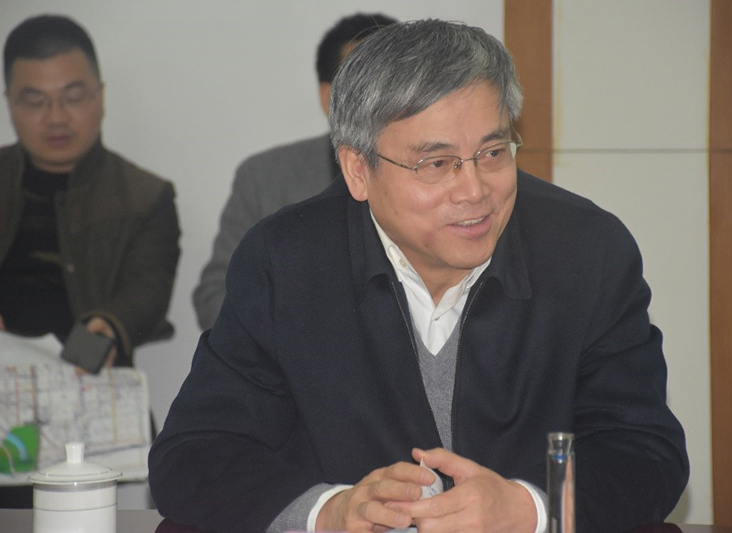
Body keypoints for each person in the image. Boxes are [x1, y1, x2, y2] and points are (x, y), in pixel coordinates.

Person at [150, 19, 689, 533]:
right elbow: (193, 455)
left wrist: (529, 508)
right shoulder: (285, 262)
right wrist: (332, 511)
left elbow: (646, 452)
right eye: (436, 163)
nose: (474, 190)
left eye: (492, 152)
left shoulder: (586, 252)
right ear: (358, 170)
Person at [192, 12, 397, 330]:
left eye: (398, 84)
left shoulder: (447, 176)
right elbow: (215, 298)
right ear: (329, 98)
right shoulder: (264, 179)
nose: (386, 101)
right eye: (366, 87)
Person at [0, 15, 180, 370]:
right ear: (10, 103)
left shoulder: (146, 196)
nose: (56, 118)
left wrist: (108, 327)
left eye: (73, 97)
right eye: (35, 101)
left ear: (100, 96)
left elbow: (147, 291)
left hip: (91, 373)